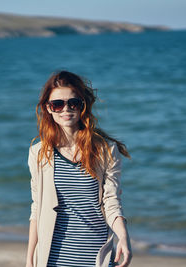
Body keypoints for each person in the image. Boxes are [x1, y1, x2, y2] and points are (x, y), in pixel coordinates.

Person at [25, 70, 132, 267]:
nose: (65, 109)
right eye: (57, 104)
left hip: (96, 257)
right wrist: (30, 257)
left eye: (72, 102)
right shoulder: (38, 153)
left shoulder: (106, 150)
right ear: (48, 108)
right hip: (53, 258)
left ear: (83, 105)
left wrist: (124, 238)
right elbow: (37, 207)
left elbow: (111, 200)